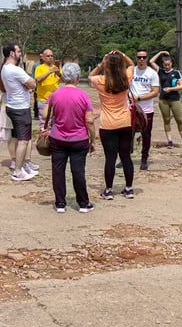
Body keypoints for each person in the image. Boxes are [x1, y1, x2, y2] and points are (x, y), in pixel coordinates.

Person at [42, 62, 96, 212]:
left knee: (58, 171)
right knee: (78, 171)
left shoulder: (55, 94)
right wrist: (93, 140)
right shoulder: (83, 95)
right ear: (77, 77)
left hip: (58, 138)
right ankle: (83, 203)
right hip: (79, 139)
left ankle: (60, 203)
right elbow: (90, 121)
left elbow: (44, 114)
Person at [89, 50, 135, 200]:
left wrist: (101, 63)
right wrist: (122, 55)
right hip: (125, 122)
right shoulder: (126, 78)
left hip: (108, 124)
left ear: (107, 66)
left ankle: (108, 190)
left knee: (110, 158)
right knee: (125, 156)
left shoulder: (101, 81)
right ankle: (128, 188)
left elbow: (90, 76)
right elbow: (132, 64)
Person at [0, 43, 38, 181]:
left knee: (18, 138)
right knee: (23, 140)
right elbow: (32, 83)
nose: (20, 54)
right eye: (19, 51)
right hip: (20, 108)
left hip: (12, 106)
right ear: (12, 53)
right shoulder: (15, 70)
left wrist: (24, 85)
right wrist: (27, 85)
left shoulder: (4, 69)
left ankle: (20, 167)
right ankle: (18, 171)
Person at [149, 51, 182, 148]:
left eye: (168, 64)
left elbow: (181, 86)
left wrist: (171, 89)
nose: (167, 66)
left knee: (179, 119)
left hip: (174, 99)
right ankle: (169, 141)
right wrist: (160, 53)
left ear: (171, 63)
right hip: (163, 100)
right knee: (166, 120)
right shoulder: (161, 71)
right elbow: (151, 61)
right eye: (165, 65)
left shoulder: (176, 73)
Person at [129, 48, 160, 171]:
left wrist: (140, 98)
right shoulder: (131, 71)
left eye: (144, 57)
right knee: (128, 134)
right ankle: (126, 157)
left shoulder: (152, 73)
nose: (141, 60)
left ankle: (144, 158)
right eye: (139, 57)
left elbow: (155, 92)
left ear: (147, 58)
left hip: (146, 109)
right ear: (136, 58)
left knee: (146, 135)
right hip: (131, 108)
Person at [34, 49, 61, 130]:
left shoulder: (56, 68)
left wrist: (58, 73)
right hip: (43, 100)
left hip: (56, 100)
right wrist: (50, 72)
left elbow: (63, 80)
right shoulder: (39, 68)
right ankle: (43, 141)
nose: (50, 57)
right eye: (48, 56)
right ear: (43, 57)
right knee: (44, 123)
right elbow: (38, 79)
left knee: (55, 123)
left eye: (51, 56)